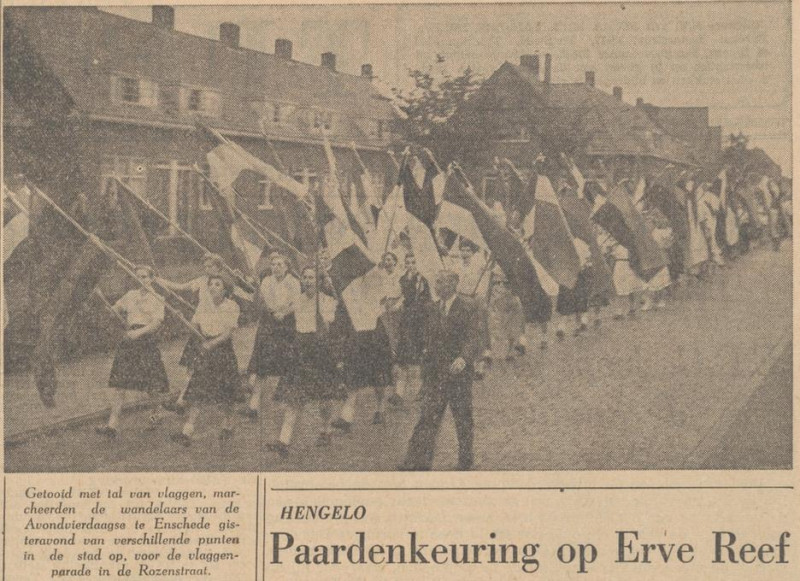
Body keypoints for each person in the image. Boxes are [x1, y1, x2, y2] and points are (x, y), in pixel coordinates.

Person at [399, 270, 483, 471]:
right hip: (435, 374)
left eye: (441, 282)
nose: (437, 286)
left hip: (458, 374)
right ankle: (417, 461)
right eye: (436, 283)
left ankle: (465, 459)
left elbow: (474, 337)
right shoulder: (431, 308)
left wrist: (463, 358)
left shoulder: (468, 307)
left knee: (462, 418)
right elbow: (421, 333)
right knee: (427, 417)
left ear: (454, 284)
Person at [268, 266, 344, 457]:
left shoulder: (326, 301)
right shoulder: (297, 299)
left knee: (324, 398)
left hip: (319, 350)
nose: (308, 280)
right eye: (305, 277)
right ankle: (283, 440)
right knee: (295, 397)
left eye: (312, 277)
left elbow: (328, 326)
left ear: (318, 281)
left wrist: (321, 317)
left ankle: (326, 430)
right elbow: (281, 312)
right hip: (300, 350)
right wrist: (278, 313)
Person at [95, 265, 169, 439]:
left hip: (146, 341)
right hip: (128, 342)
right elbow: (114, 310)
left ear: (151, 278)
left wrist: (138, 333)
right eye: (137, 277)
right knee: (120, 383)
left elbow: (156, 324)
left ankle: (157, 411)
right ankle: (112, 425)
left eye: (144, 277)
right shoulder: (130, 295)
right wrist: (104, 302)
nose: (140, 280)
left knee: (151, 384)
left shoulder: (158, 298)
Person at [171, 274, 241, 446]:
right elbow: (195, 326)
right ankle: (187, 432)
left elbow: (228, 333)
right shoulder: (203, 305)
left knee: (225, 394)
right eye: (211, 284)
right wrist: (185, 322)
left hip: (222, 351)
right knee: (198, 391)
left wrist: (211, 343)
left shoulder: (232, 306)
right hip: (205, 349)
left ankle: (228, 424)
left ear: (225, 290)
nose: (213, 287)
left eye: (218, 284)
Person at [333, 252, 397, 429]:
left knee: (379, 375)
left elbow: (386, 302)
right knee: (353, 373)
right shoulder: (351, 284)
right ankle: (347, 417)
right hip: (357, 332)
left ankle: (380, 408)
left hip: (375, 332)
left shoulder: (378, 276)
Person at [241, 252, 300, 419]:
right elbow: (264, 301)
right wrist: (273, 311)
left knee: (287, 363)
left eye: (280, 265)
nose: (276, 268)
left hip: (287, 325)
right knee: (261, 366)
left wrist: (284, 313)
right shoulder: (266, 281)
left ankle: (288, 403)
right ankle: (253, 407)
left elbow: (296, 303)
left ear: (287, 268)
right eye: (273, 265)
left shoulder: (293, 282)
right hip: (269, 323)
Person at [392, 252, 432, 403]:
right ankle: (399, 393)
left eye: (413, 262)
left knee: (420, 356)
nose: (411, 265)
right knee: (403, 356)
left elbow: (428, 300)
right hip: (406, 321)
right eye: (408, 262)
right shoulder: (402, 279)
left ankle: (423, 388)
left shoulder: (423, 280)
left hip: (420, 322)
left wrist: (420, 300)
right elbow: (400, 296)